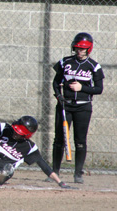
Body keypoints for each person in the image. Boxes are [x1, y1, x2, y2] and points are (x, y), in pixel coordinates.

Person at [50, 32, 104, 184]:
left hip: (83, 108)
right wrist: (58, 96)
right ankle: (55, 172)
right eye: (77, 49)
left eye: (83, 49)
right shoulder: (65, 62)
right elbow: (56, 82)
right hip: (64, 106)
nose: (79, 52)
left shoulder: (94, 66)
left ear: (89, 49)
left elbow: (99, 89)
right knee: (59, 139)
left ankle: (78, 173)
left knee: (80, 140)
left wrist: (81, 88)